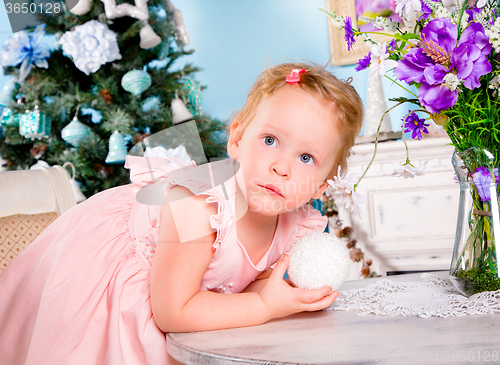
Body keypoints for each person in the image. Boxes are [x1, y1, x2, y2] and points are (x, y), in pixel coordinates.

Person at [0, 62, 363, 364]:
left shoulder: (297, 224)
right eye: (270, 141)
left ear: (320, 187)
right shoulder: (197, 204)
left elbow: (242, 287)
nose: (282, 167)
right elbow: (173, 311)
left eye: (306, 158)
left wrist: (285, 294)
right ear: (237, 140)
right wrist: (266, 304)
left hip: (185, 295)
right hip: (123, 281)